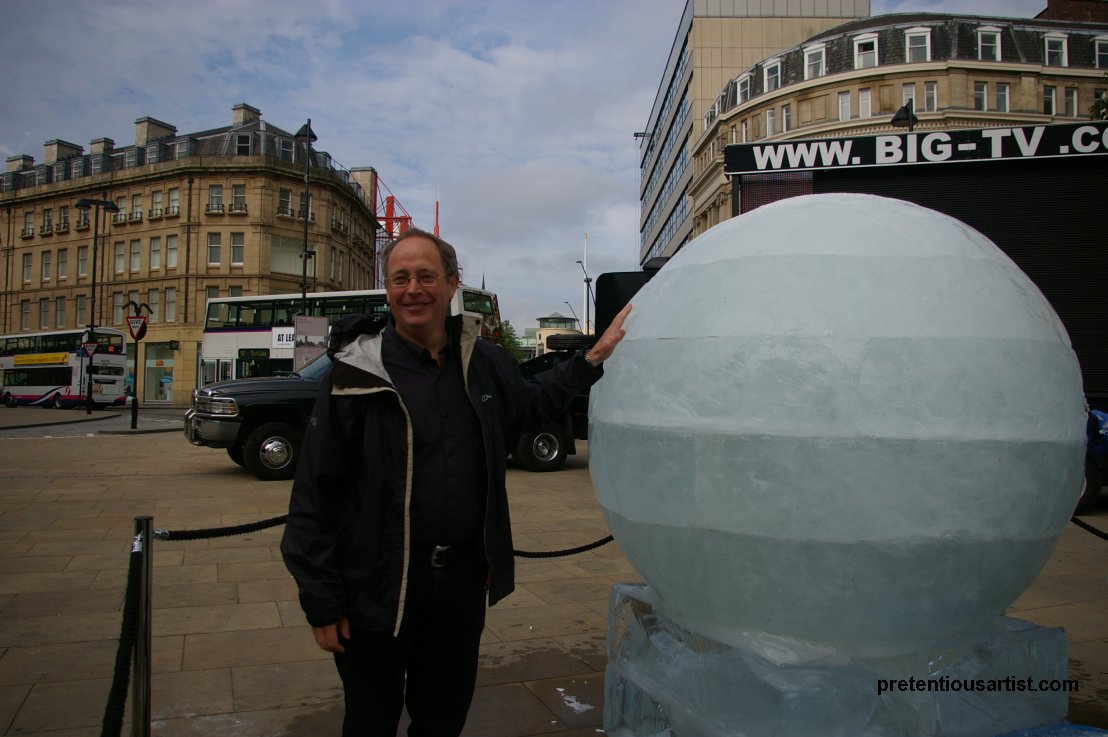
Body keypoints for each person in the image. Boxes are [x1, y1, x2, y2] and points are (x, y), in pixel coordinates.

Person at [280, 228, 630, 737]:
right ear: (388, 290)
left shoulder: (482, 361)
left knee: (442, 719)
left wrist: (592, 360)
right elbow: (314, 493)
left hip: (460, 585)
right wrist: (321, 599)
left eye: (426, 276)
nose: (413, 289)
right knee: (370, 720)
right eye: (400, 279)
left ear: (451, 285)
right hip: (374, 590)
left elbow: (529, 404)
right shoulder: (355, 374)